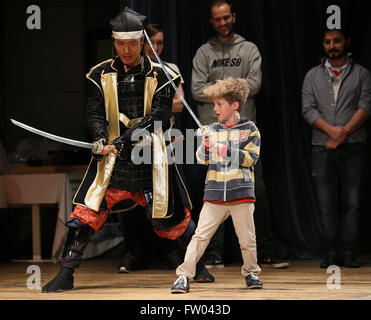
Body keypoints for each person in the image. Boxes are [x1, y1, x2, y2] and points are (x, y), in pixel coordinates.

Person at [42, 6, 212, 293]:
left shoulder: (163, 74)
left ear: (141, 41)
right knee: (86, 210)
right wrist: (99, 138)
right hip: (113, 157)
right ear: (113, 40)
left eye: (132, 43)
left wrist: (130, 137)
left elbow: (159, 115)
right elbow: (95, 113)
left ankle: (198, 264)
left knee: (171, 215)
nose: (126, 49)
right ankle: (67, 273)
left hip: (150, 154)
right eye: (120, 43)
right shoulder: (98, 74)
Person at [191, 0, 289, 269]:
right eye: (217, 19)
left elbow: (254, 85)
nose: (222, 22)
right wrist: (235, 85)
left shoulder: (249, 49)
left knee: (255, 190)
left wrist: (216, 86)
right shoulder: (203, 52)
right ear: (212, 21)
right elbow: (197, 89)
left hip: (243, 132)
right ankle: (214, 254)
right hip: (213, 130)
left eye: (226, 17)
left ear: (233, 17)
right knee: (213, 192)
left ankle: (266, 251)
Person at [171, 77, 263, 293]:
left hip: (241, 194)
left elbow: (250, 159)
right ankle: (184, 276)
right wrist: (205, 145)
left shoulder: (251, 129)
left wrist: (222, 148)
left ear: (234, 105)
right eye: (214, 104)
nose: (214, 108)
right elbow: (201, 159)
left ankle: (251, 272)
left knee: (247, 240)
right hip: (214, 197)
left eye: (219, 104)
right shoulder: (212, 128)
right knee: (200, 237)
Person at [117, 23, 190, 273]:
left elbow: (180, 104)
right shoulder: (128, 70)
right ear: (142, 43)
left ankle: (170, 251)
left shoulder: (169, 69)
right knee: (132, 202)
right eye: (151, 43)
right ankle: (132, 254)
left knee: (164, 199)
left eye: (160, 43)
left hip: (163, 144)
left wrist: (154, 106)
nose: (156, 48)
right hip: (134, 143)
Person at [302, 28, 370, 268]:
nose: (332, 45)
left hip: (353, 146)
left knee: (352, 202)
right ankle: (331, 252)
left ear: (347, 42)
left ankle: (349, 252)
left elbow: (365, 106)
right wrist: (332, 132)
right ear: (323, 44)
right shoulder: (312, 75)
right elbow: (308, 109)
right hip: (322, 146)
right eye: (328, 41)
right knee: (325, 202)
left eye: (337, 41)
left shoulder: (362, 74)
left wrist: (343, 133)